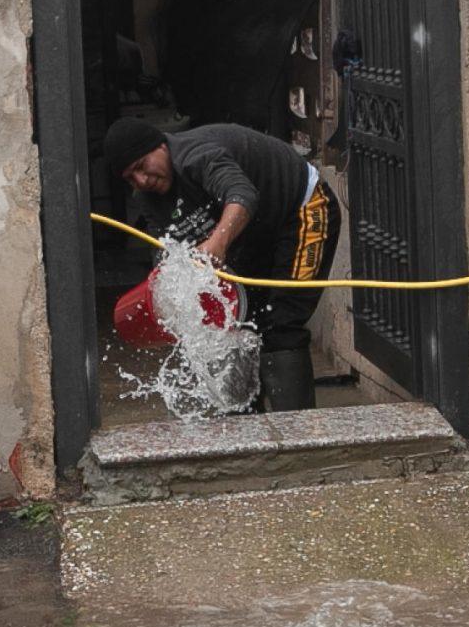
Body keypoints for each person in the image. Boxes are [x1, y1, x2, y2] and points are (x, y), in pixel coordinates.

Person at [103, 117, 341, 411]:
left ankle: (296, 431)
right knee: (236, 325)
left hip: (303, 207)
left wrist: (216, 243)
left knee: (282, 323)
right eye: (130, 178)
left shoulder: (196, 156)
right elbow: (165, 252)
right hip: (253, 235)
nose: (141, 181)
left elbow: (242, 196)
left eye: (141, 166)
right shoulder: (148, 200)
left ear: (160, 146)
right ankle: (245, 426)